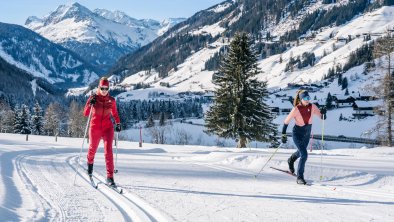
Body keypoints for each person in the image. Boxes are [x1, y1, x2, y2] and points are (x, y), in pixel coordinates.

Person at [281, 90, 327, 185]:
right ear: (301, 99)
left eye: (308, 98)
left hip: (307, 134)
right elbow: (286, 122)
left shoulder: (312, 106)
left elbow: (322, 117)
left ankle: (291, 160)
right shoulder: (296, 109)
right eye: (305, 98)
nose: (307, 100)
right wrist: (283, 134)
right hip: (297, 133)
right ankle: (300, 177)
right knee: (304, 154)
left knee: (301, 152)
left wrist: (323, 113)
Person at [84, 77, 121, 187]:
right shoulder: (93, 97)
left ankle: (110, 177)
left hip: (107, 129)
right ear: (99, 87)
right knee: (92, 149)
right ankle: (90, 165)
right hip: (95, 128)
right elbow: (86, 113)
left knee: (108, 151)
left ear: (108, 88)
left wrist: (118, 123)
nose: (104, 90)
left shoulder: (112, 100)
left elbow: (115, 114)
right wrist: (90, 103)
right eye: (102, 88)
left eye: (106, 88)